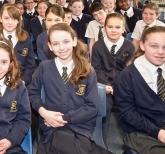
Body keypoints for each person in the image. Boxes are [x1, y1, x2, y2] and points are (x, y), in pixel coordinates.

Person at [29, 23, 111, 154]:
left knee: (61, 147)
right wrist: (44, 112)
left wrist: (63, 118)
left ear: (74, 41)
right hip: (52, 126)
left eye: (66, 41)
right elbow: (33, 94)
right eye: (55, 44)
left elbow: (91, 107)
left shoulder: (87, 70)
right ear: (50, 46)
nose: (61, 48)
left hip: (80, 127)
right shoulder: (44, 67)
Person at [114, 26, 165, 154]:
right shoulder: (128, 76)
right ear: (142, 45)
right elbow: (127, 113)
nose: (160, 51)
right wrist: (157, 132)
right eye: (154, 46)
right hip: (141, 131)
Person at [91, 13, 135, 146]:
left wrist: (119, 86)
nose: (114, 30)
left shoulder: (130, 46)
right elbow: (96, 69)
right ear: (104, 28)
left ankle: (132, 143)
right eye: (110, 27)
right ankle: (101, 144)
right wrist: (106, 85)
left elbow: (129, 70)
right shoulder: (98, 46)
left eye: (117, 27)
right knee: (103, 111)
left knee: (130, 112)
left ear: (123, 29)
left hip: (124, 85)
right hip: (104, 84)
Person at [0, 4, 35, 87]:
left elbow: (30, 64)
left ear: (19, 20)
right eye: (6, 18)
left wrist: (23, 80)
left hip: (21, 81)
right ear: (0, 19)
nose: (10, 23)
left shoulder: (25, 37)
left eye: (14, 19)